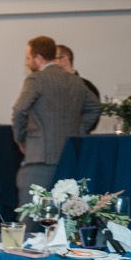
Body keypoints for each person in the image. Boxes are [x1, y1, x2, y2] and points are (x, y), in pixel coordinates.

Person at [12, 35, 101, 205]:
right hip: (69, 156)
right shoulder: (75, 80)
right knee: (67, 215)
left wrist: (20, 138)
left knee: (32, 214)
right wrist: (78, 132)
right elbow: (95, 107)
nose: (26, 62)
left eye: (28, 58)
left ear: (38, 58)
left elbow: (19, 109)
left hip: (40, 156)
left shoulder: (36, 79)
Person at [56, 44, 101, 130]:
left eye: (53, 59)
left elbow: (93, 114)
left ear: (64, 59)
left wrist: (79, 130)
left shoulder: (86, 86)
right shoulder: (51, 86)